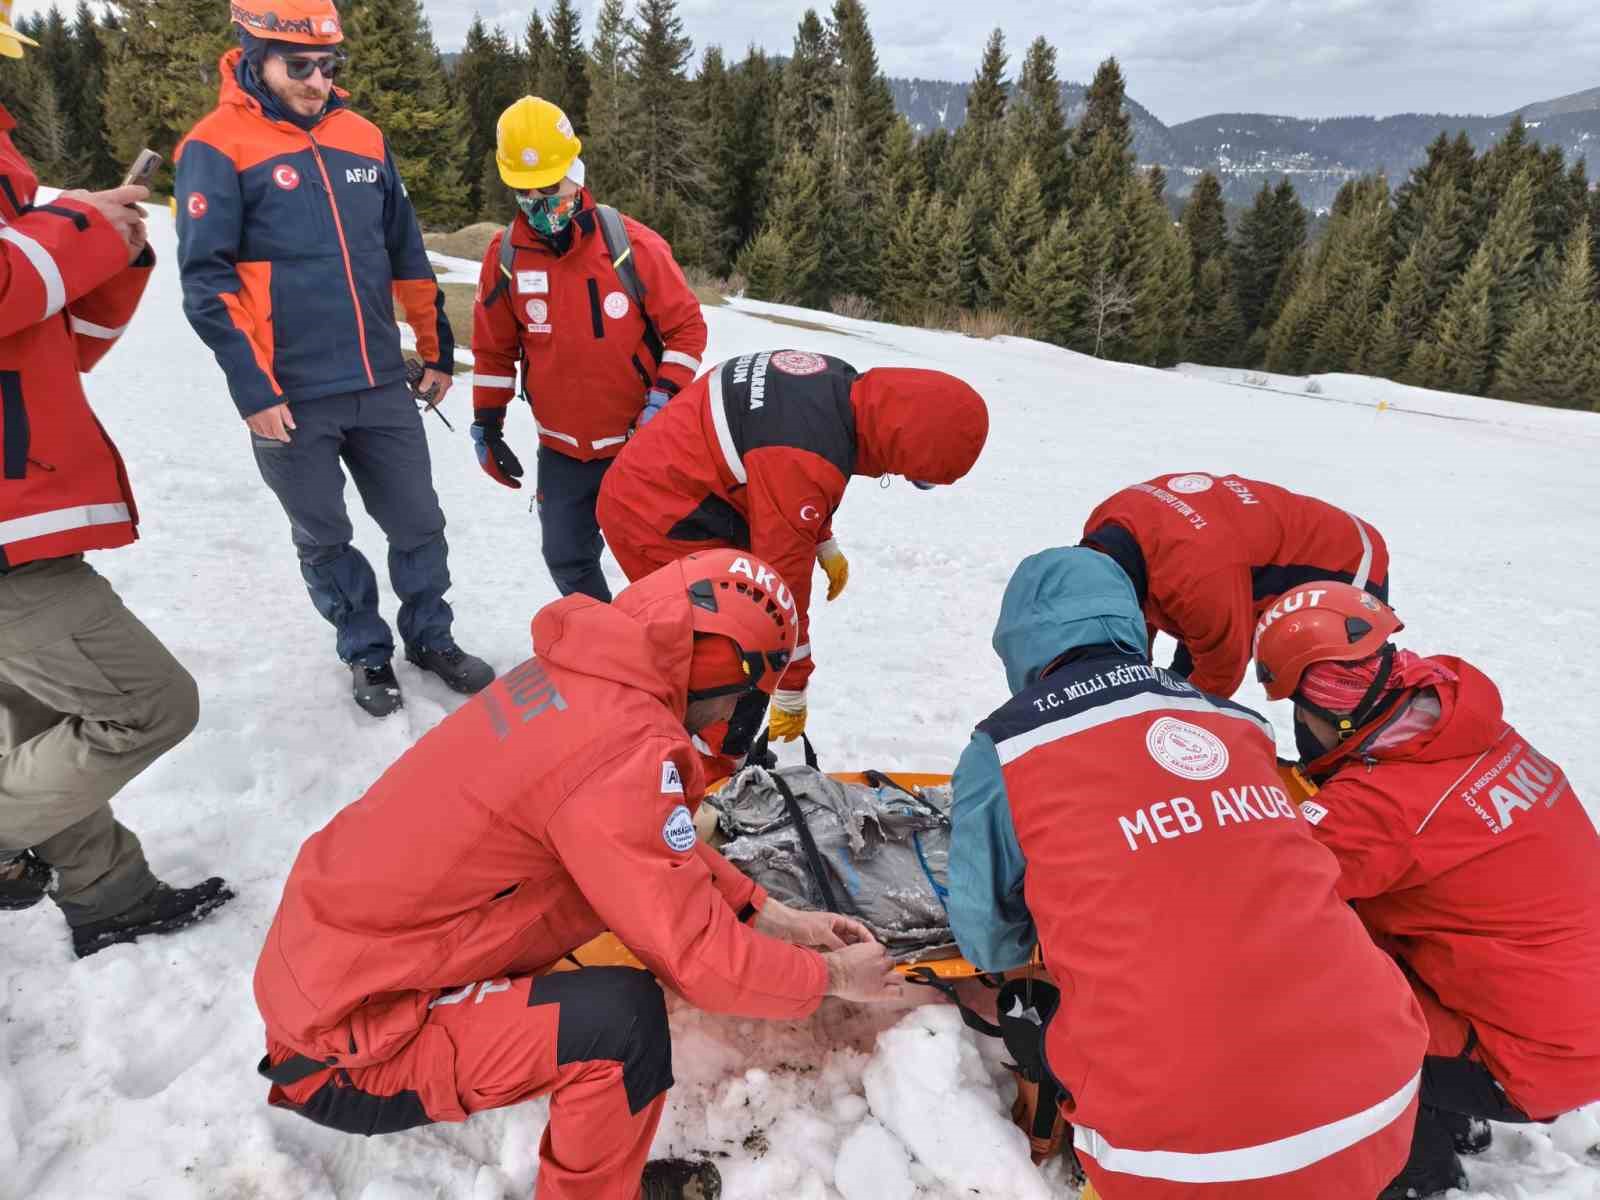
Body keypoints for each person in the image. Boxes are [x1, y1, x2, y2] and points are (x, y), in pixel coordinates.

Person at [253, 548, 903, 1200]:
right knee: (622, 1029)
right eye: (739, 693)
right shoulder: (621, 752)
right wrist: (837, 978)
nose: (732, 711)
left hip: (329, 968)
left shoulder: (583, 682)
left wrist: (767, 911)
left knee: (607, 945)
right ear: (719, 667)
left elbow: (646, 837)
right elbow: (705, 963)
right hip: (353, 1045)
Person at [945, 547, 1428, 1199]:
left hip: (1188, 1156)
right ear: (1129, 625)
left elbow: (987, 939)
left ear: (1018, 643)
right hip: (1384, 1096)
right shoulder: (1235, 723)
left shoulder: (1008, 747)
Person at [175, 0, 492, 718]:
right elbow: (207, 282)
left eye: (328, 65)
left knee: (418, 522)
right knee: (324, 534)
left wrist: (436, 348)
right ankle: (366, 650)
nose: (318, 80)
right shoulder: (217, 145)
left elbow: (405, 252)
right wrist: (254, 391)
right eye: (301, 66)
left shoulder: (363, 139)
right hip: (289, 395)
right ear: (254, 55)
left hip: (380, 382)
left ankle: (431, 638)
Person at [0, 4, 231, 957]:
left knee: (43, 721)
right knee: (150, 702)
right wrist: (74, 223)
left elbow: (56, 344)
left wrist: (114, 253)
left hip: (21, 499)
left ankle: (107, 895)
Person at [1253, 581, 1600, 1199]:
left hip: (1534, 1060)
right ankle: (1451, 1118)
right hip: (1569, 1013)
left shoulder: (1376, 809)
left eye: (1296, 711)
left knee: (1303, 1010)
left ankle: (1414, 1177)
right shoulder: (1457, 725)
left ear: (1328, 712)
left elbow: (1259, 891)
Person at [596, 350, 988, 765]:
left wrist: (823, 540)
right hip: (660, 516)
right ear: (906, 442)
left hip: (670, 488)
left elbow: (783, 472)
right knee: (736, 655)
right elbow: (779, 584)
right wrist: (789, 686)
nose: (908, 479)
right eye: (918, 475)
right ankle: (704, 771)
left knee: (714, 647)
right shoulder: (804, 457)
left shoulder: (836, 383)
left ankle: (681, 742)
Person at [469, 96, 707, 603]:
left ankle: (685, 652)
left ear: (575, 175)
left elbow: (687, 330)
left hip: (636, 445)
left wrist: (662, 398)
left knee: (657, 562)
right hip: (560, 452)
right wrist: (486, 426)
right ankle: (612, 644)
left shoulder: (631, 245)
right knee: (567, 559)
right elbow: (493, 352)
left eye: (550, 187)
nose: (539, 201)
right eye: (524, 190)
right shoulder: (505, 256)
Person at [1081, 472, 1387, 698]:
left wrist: (1176, 725)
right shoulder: (1107, 523)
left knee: (1325, 692)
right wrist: (1135, 674)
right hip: (1222, 558)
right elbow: (1129, 623)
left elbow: (1221, 670)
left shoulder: (1199, 580)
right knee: (1183, 675)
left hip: (1344, 559)